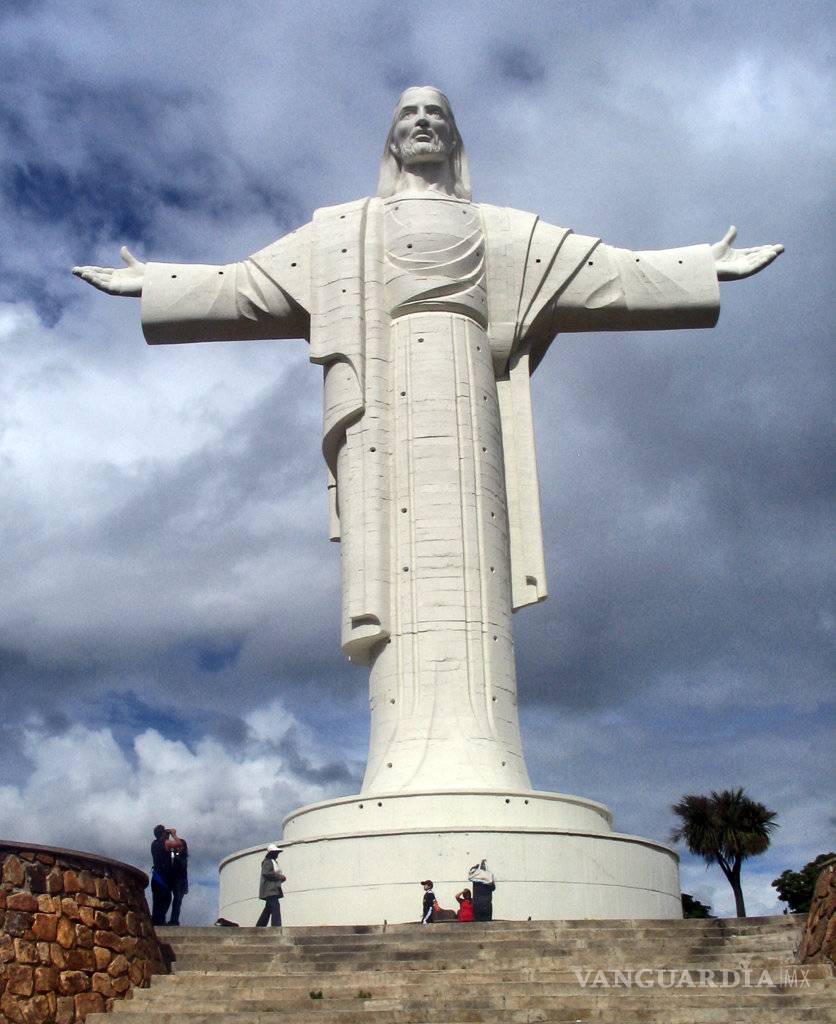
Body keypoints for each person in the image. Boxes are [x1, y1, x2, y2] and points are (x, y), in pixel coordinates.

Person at [73, 88, 782, 796]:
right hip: (386, 408)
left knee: (473, 575)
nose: (421, 124)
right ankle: (402, 762)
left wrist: (697, 266)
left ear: (454, 138)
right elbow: (247, 286)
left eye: (436, 115)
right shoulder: (345, 231)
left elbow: (609, 273)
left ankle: (488, 760)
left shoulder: (503, 231)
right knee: (397, 579)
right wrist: (156, 283)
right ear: (391, 140)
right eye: (409, 115)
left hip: (470, 391)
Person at [256, 844, 286, 927]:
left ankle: (260, 926)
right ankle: (276, 927)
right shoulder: (268, 862)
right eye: (276, 852)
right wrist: (280, 877)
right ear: (272, 853)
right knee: (275, 908)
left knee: (268, 909)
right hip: (270, 890)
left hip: (272, 889)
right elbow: (267, 873)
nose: (277, 854)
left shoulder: (272, 862)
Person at [149, 824, 173, 926]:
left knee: (157, 899)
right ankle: (160, 920)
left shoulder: (154, 844)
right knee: (166, 898)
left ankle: (156, 920)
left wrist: (165, 834)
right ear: (163, 833)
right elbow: (179, 844)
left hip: (156, 875)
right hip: (163, 876)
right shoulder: (165, 843)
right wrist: (173, 833)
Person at [167, 829, 189, 926]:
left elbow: (184, 872)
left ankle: (174, 920)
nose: (179, 848)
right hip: (176, 880)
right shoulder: (176, 855)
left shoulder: (182, 857)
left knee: (177, 901)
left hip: (180, 881)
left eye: (181, 846)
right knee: (176, 901)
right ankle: (173, 920)